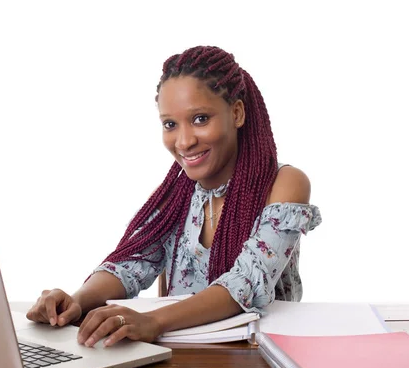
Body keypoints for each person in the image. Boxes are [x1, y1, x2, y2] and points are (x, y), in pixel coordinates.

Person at [26, 45, 322, 348]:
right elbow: (131, 264)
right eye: (170, 124)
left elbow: (246, 283)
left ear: (236, 113)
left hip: (261, 360)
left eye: (200, 119)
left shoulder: (284, 184)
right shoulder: (176, 194)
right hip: (182, 359)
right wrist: (77, 300)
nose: (184, 141)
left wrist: (153, 321)